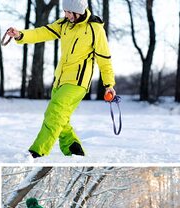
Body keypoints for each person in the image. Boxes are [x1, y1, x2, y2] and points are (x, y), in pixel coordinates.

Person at [6, 0, 116, 158]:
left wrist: (109, 84)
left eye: (70, 12)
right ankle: (72, 146)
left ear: (80, 11)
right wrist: (20, 35)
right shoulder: (64, 24)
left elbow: (104, 59)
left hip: (78, 82)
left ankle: (37, 151)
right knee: (58, 115)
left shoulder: (95, 29)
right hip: (60, 80)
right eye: (65, 11)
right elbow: (42, 32)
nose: (67, 15)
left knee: (55, 112)